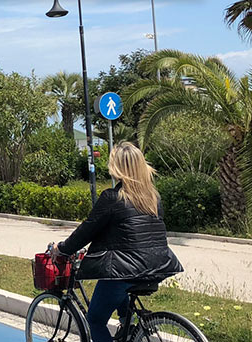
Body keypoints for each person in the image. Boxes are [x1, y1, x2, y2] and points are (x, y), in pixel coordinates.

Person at [51, 142, 183, 342]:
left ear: (117, 168)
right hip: (159, 266)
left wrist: (61, 249)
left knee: (95, 319)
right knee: (121, 289)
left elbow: (87, 230)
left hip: (128, 269)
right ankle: (128, 328)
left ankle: (127, 327)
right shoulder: (153, 197)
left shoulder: (112, 197)